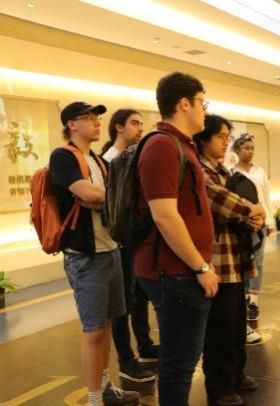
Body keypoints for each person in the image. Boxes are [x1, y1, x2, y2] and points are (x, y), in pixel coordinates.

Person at [135, 72, 219, 405]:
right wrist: (200, 266)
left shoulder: (180, 145)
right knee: (178, 364)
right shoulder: (162, 146)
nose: (204, 110)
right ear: (184, 103)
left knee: (183, 359)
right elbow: (165, 216)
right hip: (174, 271)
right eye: (202, 102)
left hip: (181, 269)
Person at [49, 101, 139, 405]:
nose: (97, 122)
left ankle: (105, 386)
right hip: (85, 256)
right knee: (93, 331)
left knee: (108, 325)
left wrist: (101, 197)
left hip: (111, 251)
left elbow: (117, 198)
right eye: (88, 118)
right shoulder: (63, 157)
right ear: (71, 124)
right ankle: (94, 399)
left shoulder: (99, 161)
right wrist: (99, 196)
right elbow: (88, 193)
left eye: (97, 117)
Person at [195, 115, 266, 406]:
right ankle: (219, 386)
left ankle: (236, 373)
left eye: (227, 137)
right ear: (204, 139)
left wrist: (253, 213)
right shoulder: (200, 172)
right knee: (220, 328)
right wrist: (252, 210)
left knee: (237, 322)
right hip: (217, 261)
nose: (226, 142)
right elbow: (228, 203)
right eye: (220, 137)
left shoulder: (223, 170)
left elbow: (247, 209)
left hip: (235, 258)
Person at [102, 109, 158, 382]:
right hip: (117, 241)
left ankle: (145, 345)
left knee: (139, 294)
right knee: (122, 301)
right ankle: (126, 359)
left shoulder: (136, 157)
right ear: (119, 127)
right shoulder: (108, 161)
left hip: (136, 238)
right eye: (134, 123)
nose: (140, 129)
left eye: (141, 124)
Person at [231, 133, 274, 323]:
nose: (250, 151)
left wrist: (270, 222)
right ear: (238, 150)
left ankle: (254, 302)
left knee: (258, 262)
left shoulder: (260, 171)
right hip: (242, 225)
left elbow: (266, 197)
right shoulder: (231, 172)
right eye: (246, 148)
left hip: (260, 223)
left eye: (252, 148)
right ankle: (244, 297)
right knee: (243, 262)